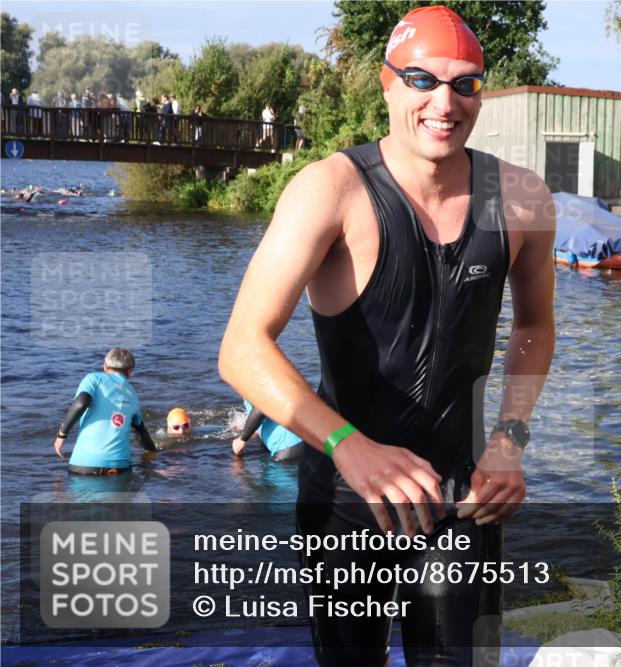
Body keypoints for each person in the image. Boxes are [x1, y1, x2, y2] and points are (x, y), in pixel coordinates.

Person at [218, 5, 555, 665]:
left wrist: (509, 438)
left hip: (462, 498)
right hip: (347, 499)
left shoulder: (521, 198)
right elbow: (242, 345)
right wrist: (348, 445)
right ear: (387, 82)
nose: (445, 102)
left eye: (466, 84)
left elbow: (535, 326)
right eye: (423, 79)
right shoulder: (331, 190)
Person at [54, 348, 157, 475]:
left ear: (105, 365)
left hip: (83, 465)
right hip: (119, 466)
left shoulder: (93, 379)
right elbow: (141, 432)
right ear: (130, 371)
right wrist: (153, 453)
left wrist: (62, 434)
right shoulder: (132, 394)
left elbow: (81, 402)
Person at [232, 400, 304, 462]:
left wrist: (243, 438)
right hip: (303, 441)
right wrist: (252, 429)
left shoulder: (251, 386)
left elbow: (260, 408)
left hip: (286, 448)